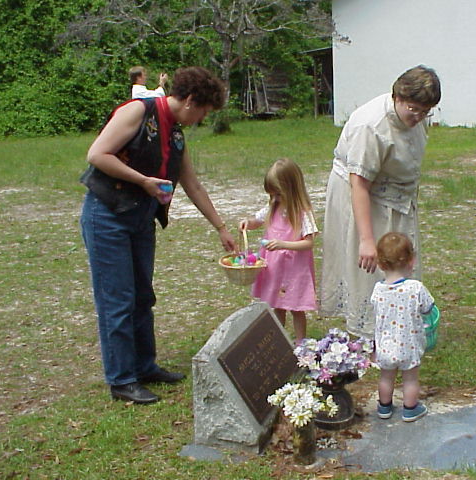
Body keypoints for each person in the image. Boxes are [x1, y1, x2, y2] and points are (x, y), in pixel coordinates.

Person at [80, 66, 237, 404]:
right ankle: (122, 380)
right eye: (204, 112)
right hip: (108, 215)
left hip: (140, 219)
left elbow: (192, 184)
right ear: (191, 100)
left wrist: (221, 227)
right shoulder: (139, 111)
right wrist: (143, 181)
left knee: (142, 296)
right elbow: (97, 154)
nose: (201, 120)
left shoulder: (175, 133)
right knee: (117, 299)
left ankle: (144, 366)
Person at [320, 65, 441, 339]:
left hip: (394, 195)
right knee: (372, 263)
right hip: (361, 193)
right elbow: (359, 183)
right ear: (397, 97)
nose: (419, 117)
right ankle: (369, 330)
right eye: (413, 109)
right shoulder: (371, 126)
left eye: (425, 112)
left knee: (397, 258)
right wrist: (366, 240)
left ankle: (399, 321)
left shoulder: (416, 118)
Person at [239, 158, 319, 343]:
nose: (275, 198)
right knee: (278, 305)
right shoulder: (273, 206)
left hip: (294, 269)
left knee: (296, 307)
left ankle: (300, 342)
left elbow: (308, 243)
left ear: (291, 189)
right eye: (272, 194)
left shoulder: (301, 212)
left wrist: (283, 244)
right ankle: (278, 341)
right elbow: (257, 221)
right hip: (275, 267)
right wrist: (248, 223)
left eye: (278, 194)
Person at [371, 232, 435, 422]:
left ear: (380, 264)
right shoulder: (416, 287)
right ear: (411, 261)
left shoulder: (378, 290)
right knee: (410, 378)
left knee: (386, 377)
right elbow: (428, 308)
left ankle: (384, 407)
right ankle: (410, 408)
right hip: (409, 345)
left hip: (385, 346)